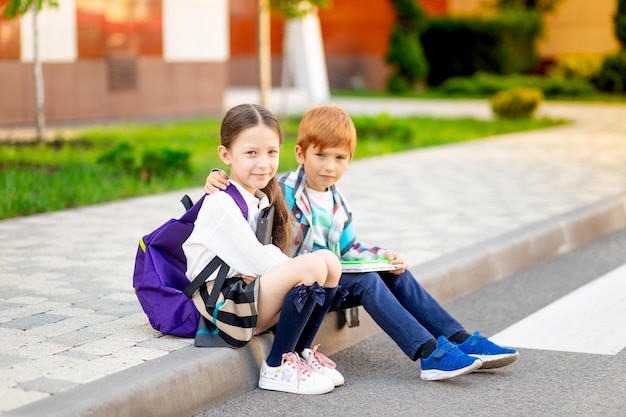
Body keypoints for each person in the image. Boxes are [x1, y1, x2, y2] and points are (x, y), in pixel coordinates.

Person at [205, 105, 519, 382]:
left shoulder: (338, 202)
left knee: (394, 272)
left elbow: (350, 248)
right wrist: (216, 176)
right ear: (300, 154)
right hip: (301, 287)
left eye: (339, 158)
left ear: (350, 160)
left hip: (328, 278)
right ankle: (428, 352)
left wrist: (384, 257)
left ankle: (458, 338)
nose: (329, 166)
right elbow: (246, 188)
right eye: (321, 155)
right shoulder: (283, 189)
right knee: (366, 281)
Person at [186, 103, 344, 395]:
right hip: (224, 306)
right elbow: (260, 261)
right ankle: (275, 367)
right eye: (251, 153)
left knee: (330, 262)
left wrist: (299, 269)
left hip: (247, 294)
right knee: (313, 266)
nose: (263, 163)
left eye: (271, 152)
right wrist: (298, 270)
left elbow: (258, 263)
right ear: (225, 155)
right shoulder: (221, 203)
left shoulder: (258, 198)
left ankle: (300, 352)